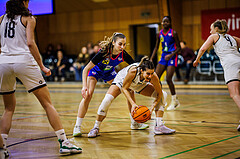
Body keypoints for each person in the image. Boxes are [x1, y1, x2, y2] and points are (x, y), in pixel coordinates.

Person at [0, 0, 82, 156]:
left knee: (8, 109)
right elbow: (30, 43)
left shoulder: (1, 19)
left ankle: (1, 149)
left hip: (3, 62)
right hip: (23, 60)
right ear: (24, 1)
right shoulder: (28, 18)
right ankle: (64, 142)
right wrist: (42, 66)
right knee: (47, 104)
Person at [73, 32, 144, 137]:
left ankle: (134, 122)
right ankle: (77, 127)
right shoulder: (103, 52)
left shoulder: (123, 54)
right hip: (94, 72)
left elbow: (135, 66)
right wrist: (84, 86)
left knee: (129, 89)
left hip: (109, 73)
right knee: (88, 96)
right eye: (120, 44)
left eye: (124, 44)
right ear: (113, 43)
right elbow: (86, 69)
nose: (122, 47)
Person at [87, 56, 176, 137]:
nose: (150, 76)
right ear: (142, 71)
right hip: (122, 81)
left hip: (137, 84)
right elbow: (125, 88)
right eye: (148, 73)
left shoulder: (153, 76)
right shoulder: (133, 71)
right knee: (107, 100)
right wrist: (133, 104)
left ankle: (159, 126)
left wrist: (152, 107)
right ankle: (96, 127)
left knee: (164, 94)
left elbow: (159, 93)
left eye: (152, 73)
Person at [193, 19, 240, 131]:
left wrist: (197, 59)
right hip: (238, 60)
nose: (210, 32)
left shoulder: (214, 37)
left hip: (230, 64)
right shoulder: (233, 38)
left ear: (216, 29)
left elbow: (203, 48)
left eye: (211, 29)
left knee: (234, 94)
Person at [150, 16, 181, 111]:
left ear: (170, 23)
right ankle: (161, 98)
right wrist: (151, 58)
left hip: (172, 56)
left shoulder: (174, 33)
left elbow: (179, 48)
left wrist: (171, 54)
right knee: (155, 77)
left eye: (167, 21)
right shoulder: (159, 33)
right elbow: (156, 47)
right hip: (164, 56)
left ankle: (174, 100)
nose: (165, 23)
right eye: (163, 22)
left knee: (168, 78)